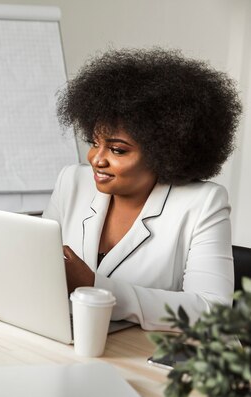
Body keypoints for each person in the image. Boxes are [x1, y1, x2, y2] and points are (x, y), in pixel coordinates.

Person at [45, 48, 241, 331]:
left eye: (117, 149)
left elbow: (212, 311)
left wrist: (94, 287)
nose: (96, 159)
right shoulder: (71, 182)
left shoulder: (203, 203)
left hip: (158, 359)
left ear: (165, 152)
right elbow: (37, 263)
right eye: (93, 142)